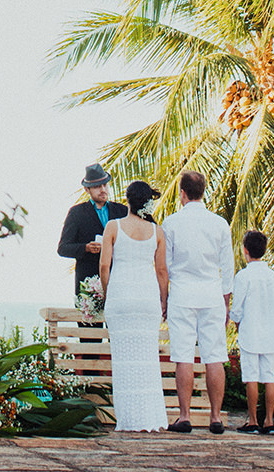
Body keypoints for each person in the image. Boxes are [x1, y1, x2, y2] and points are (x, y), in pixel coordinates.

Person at [159, 169, 233, 434]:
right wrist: (225, 301)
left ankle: (185, 415)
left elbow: (165, 267)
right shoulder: (220, 223)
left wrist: (164, 300)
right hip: (212, 294)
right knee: (215, 356)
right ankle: (215, 417)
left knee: (183, 356)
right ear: (203, 192)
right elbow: (228, 266)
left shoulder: (171, 223)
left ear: (182, 193)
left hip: (182, 294)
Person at [98, 180, 171, 431]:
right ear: (148, 202)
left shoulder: (113, 226)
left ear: (127, 200)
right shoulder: (157, 232)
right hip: (147, 300)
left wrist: (109, 294)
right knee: (148, 360)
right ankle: (149, 418)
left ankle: (128, 420)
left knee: (123, 361)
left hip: (120, 299)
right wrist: (163, 302)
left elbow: (104, 267)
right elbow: (162, 272)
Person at [229, 229, 274, 434]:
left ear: (245, 250)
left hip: (250, 333)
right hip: (269, 333)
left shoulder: (243, 276)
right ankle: (269, 421)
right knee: (270, 377)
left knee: (251, 377)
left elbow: (237, 308)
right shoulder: (272, 276)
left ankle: (252, 421)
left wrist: (235, 322)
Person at [56, 164, 128, 301]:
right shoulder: (76, 213)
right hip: (88, 286)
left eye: (105, 185)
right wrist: (86, 248)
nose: (103, 190)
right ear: (86, 189)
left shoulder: (122, 211)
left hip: (118, 282)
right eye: (97, 186)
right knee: (88, 323)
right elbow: (63, 248)